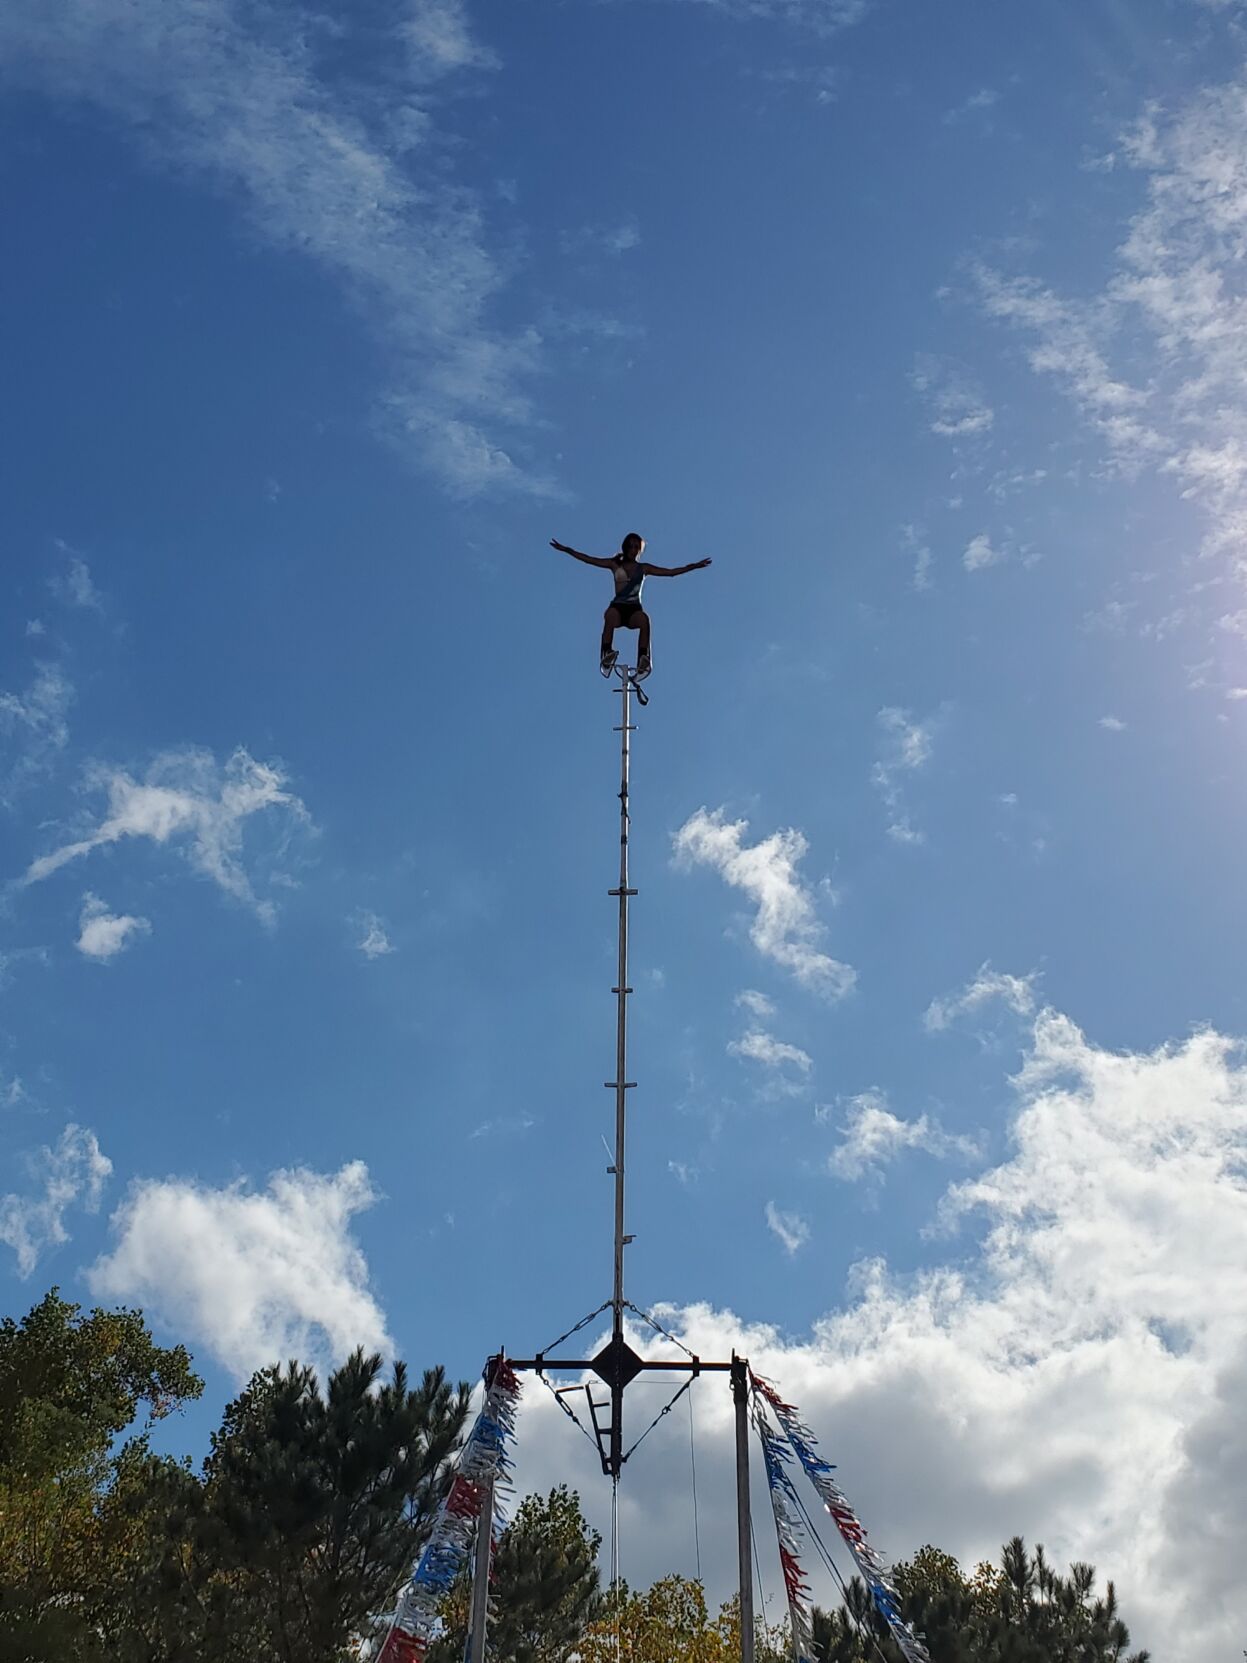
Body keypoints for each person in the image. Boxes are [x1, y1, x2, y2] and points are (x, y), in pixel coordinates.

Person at [549, 532, 712, 677]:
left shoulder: (644, 568)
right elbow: (589, 560)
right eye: (631, 546)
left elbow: (670, 572)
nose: (633, 549)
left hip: (634, 609)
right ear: (626, 547)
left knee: (644, 620)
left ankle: (643, 657)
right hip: (618, 607)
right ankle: (606, 652)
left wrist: (694, 566)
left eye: (637, 547)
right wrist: (567, 550)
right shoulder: (615, 564)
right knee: (610, 616)